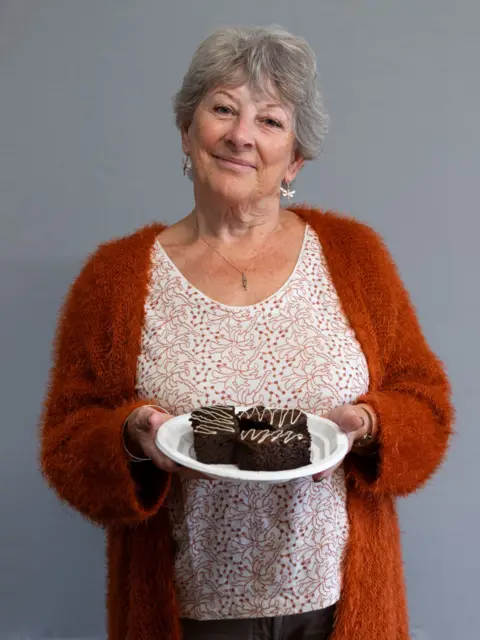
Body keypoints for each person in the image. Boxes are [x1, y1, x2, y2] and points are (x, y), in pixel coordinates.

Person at [40, 25, 453, 640]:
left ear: (296, 158)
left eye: (270, 121)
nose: (241, 135)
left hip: (340, 606)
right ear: (187, 129)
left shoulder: (355, 257)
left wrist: (369, 426)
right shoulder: (116, 277)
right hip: (188, 613)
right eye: (223, 108)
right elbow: (66, 444)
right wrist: (130, 437)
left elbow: (426, 406)